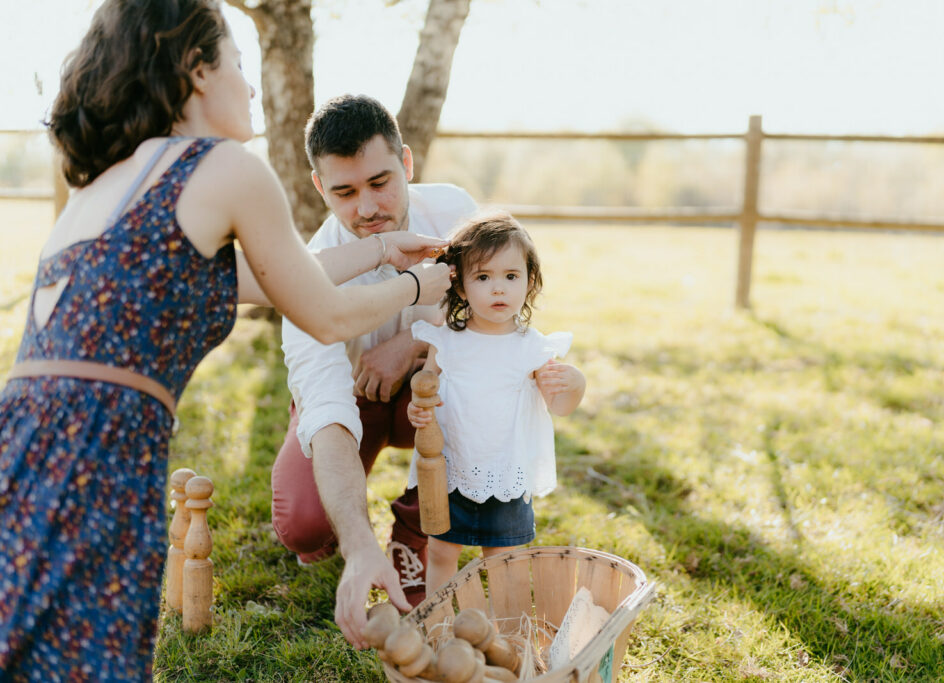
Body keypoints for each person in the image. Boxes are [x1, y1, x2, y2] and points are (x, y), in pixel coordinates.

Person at [0, 1, 452, 679]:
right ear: (198, 70)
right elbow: (324, 313)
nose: (249, 88)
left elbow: (276, 278)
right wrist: (421, 285)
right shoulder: (225, 167)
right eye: (239, 64)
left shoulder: (106, 182)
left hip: (21, 443)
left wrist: (385, 246)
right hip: (97, 457)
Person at [271, 94, 478, 648]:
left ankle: (416, 531)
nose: (367, 207)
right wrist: (357, 542)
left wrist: (410, 343)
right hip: (349, 402)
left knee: (479, 385)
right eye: (345, 192)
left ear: (407, 164)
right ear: (320, 189)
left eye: (381, 182)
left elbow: (495, 325)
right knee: (303, 527)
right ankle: (351, 541)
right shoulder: (309, 271)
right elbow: (328, 412)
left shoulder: (458, 213)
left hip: (429, 397)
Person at [406, 212, 587, 594]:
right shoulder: (447, 342)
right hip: (451, 470)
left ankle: (510, 632)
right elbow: (426, 394)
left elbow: (560, 406)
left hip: (505, 473)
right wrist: (417, 410)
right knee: (440, 553)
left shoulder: (532, 348)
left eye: (511, 276)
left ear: (529, 280)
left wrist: (576, 385)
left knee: (506, 564)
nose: (498, 289)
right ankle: (437, 624)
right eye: (483, 277)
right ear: (459, 286)